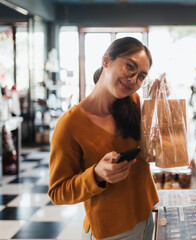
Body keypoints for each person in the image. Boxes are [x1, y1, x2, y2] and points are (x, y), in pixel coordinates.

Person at [48, 37, 159, 240]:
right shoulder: (69, 125)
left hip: (146, 217)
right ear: (106, 59)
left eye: (142, 76)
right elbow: (57, 192)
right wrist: (97, 175)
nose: (134, 80)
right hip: (110, 230)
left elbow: (153, 150)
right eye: (129, 67)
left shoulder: (133, 102)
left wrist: (159, 107)